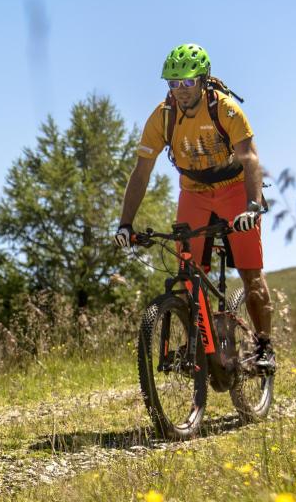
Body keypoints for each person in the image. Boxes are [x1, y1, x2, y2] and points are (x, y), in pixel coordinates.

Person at [115, 43, 275, 371]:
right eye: (174, 83)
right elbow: (141, 172)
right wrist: (125, 224)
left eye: (188, 82)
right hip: (194, 192)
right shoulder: (163, 116)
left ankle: (264, 346)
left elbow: (249, 159)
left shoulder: (225, 110)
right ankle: (198, 345)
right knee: (187, 273)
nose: (181, 90)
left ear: (203, 80)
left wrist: (252, 206)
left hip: (234, 189)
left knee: (251, 274)